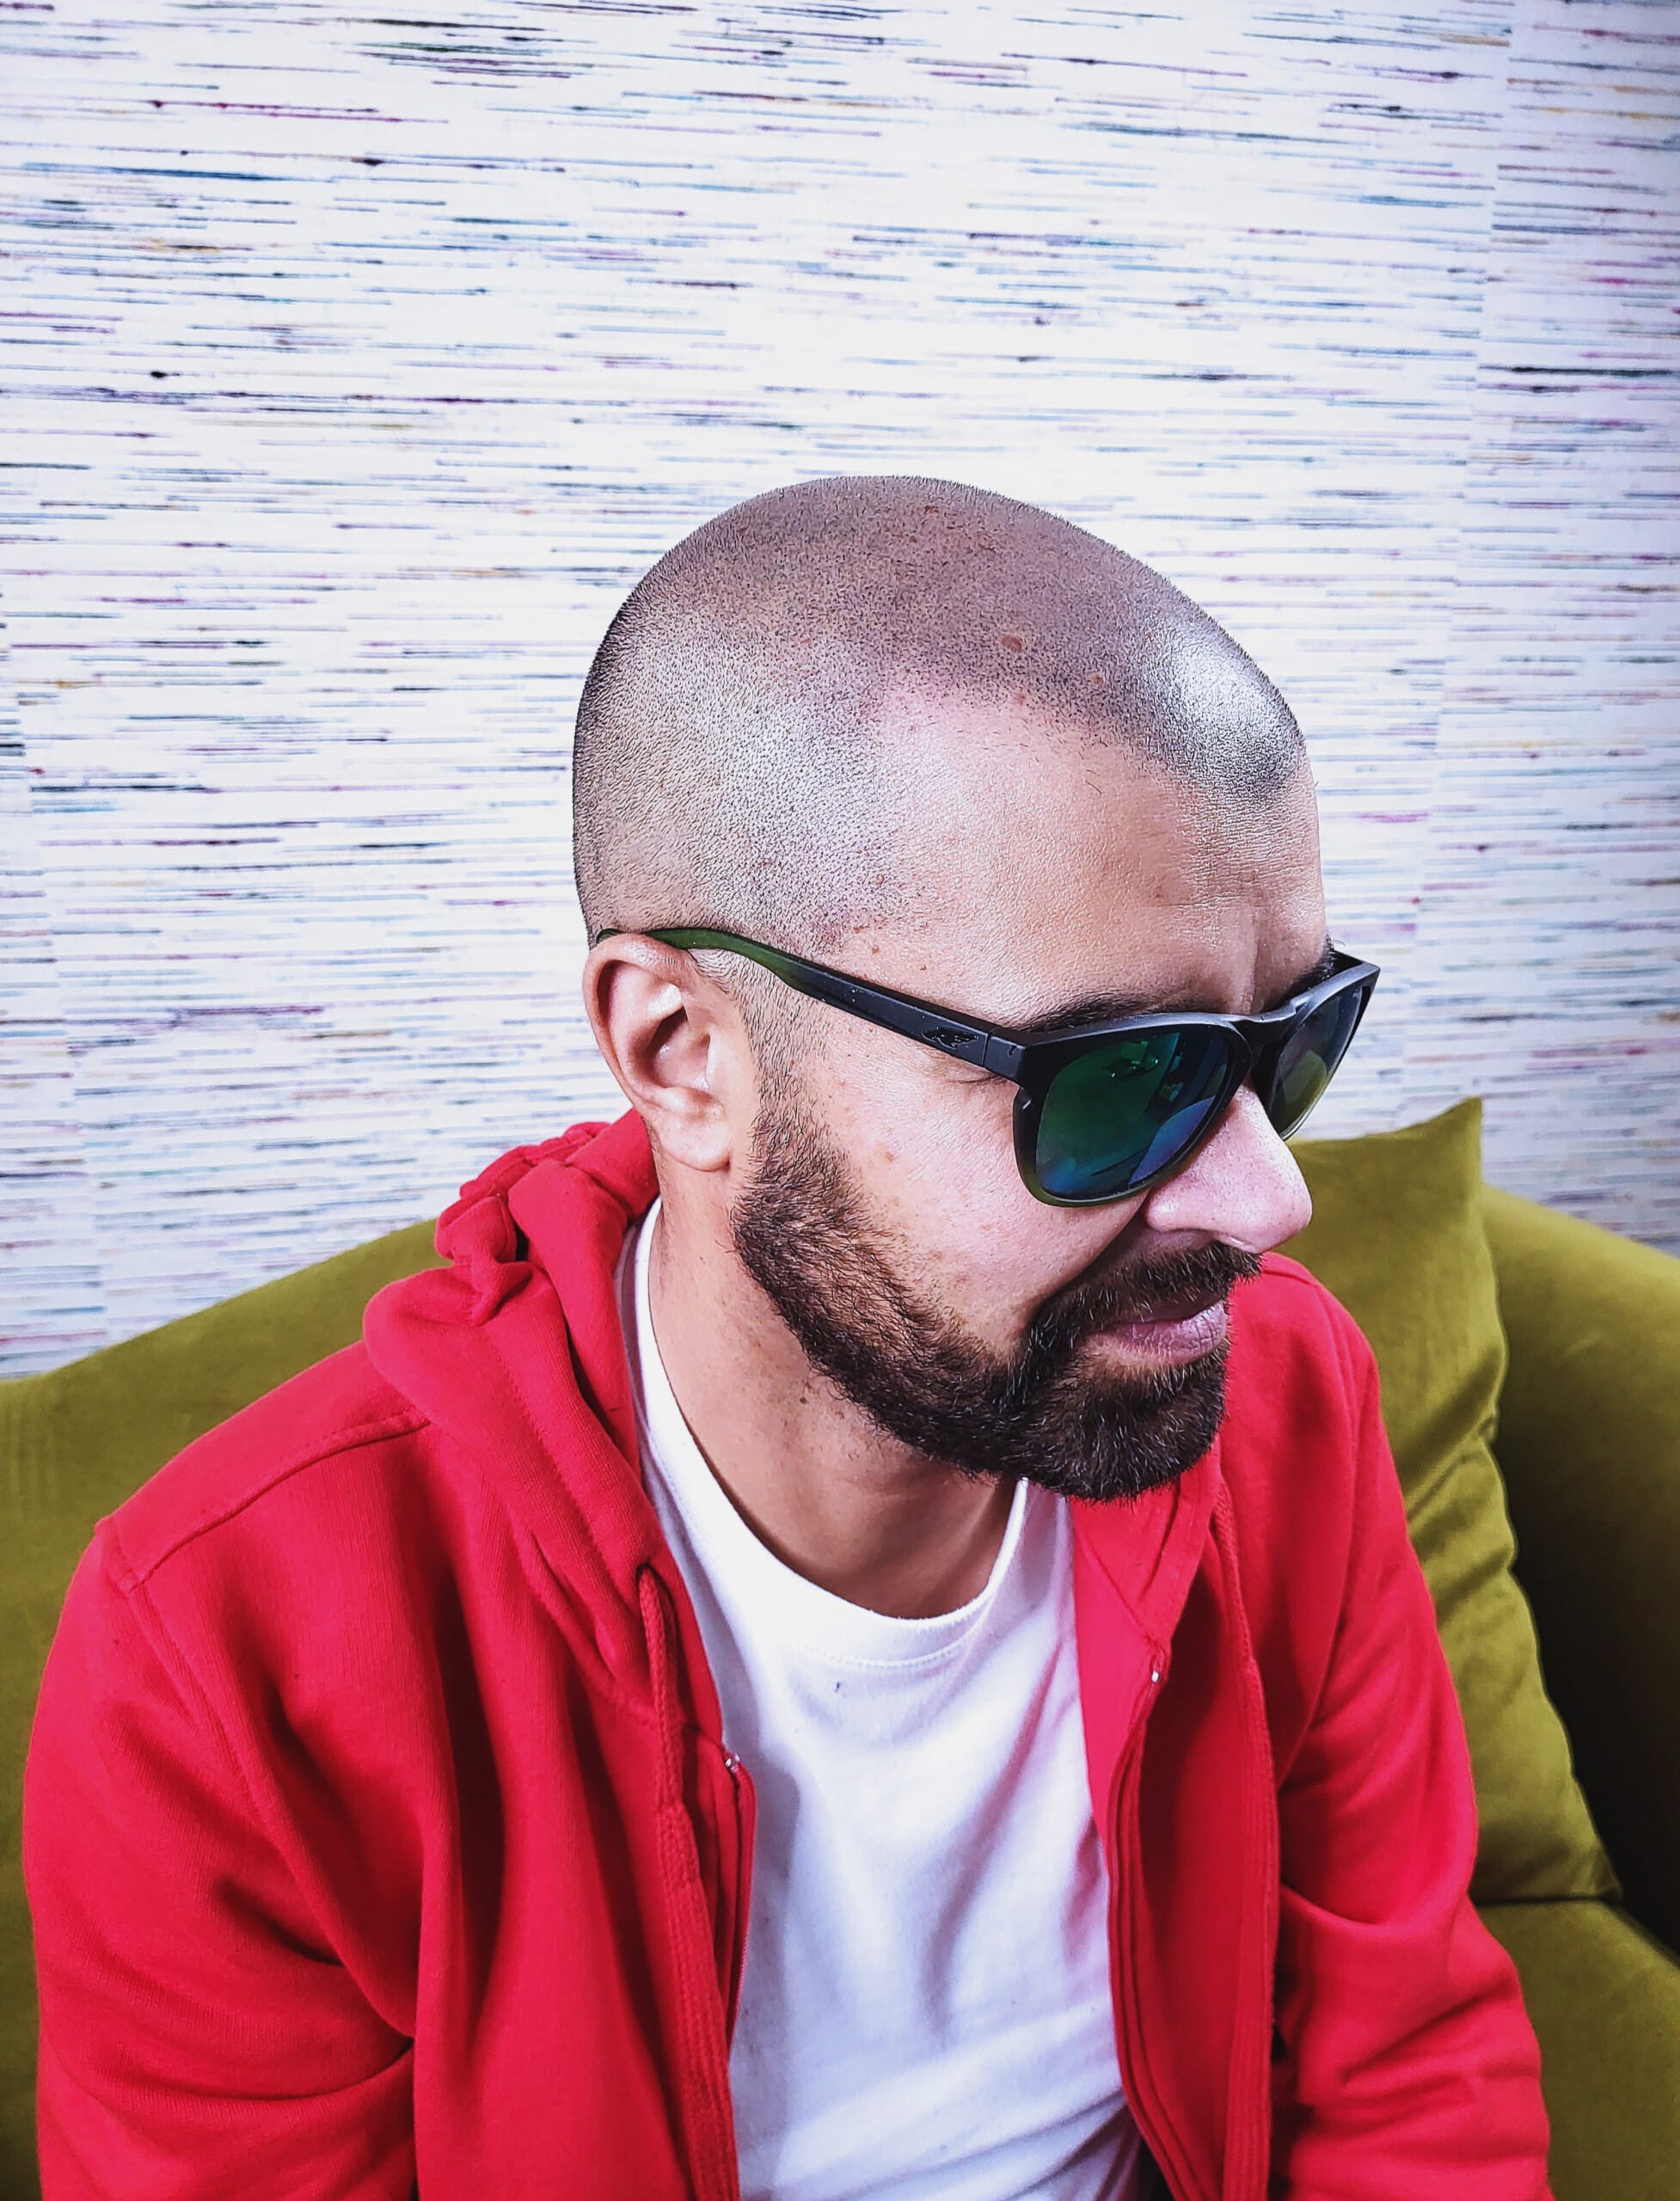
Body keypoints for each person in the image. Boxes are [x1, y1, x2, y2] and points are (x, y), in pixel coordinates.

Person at [24, 475, 1553, 2200]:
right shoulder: (232, 1651)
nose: (1270, 1200)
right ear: (684, 1053)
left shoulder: (1277, 1399)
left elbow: (1407, 2065)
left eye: (1293, 1039)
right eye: (1124, 1079)